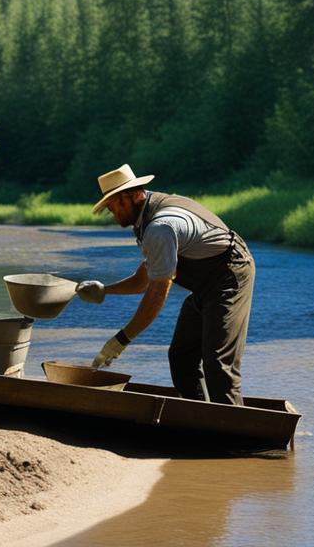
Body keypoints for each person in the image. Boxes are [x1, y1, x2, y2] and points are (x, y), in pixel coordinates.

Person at [76, 164, 255, 406]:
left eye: (114, 206)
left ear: (132, 195)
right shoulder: (146, 217)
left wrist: (121, 340)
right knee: (181, 356)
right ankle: (201, 420)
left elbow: (156, 293)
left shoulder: (160, 227)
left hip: (230, 275)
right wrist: (105, 290)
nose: (113, 214)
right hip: (206, 284)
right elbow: (145, 277)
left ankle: (235, 437)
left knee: (218, 362)